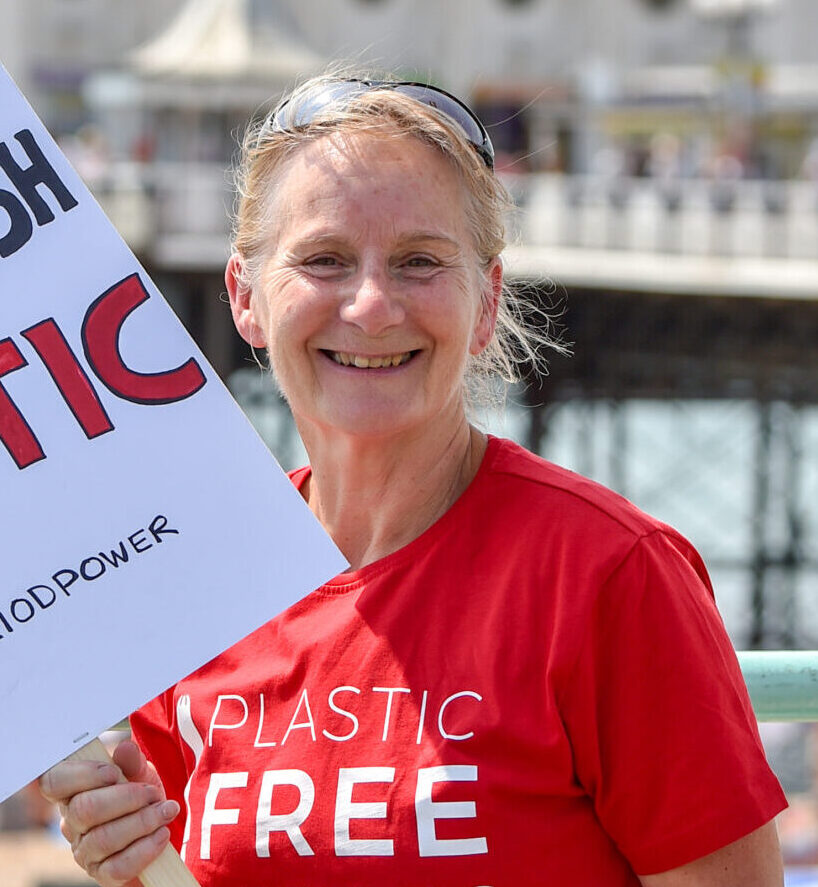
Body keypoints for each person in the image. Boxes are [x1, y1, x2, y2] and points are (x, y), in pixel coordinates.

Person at [40, 71, 787, 887]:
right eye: (323, 259)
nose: (370, 306)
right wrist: (133, 857)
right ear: (244, 296)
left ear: (487, 301)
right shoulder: (197, 584)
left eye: (419, 261)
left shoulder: (608, 573)